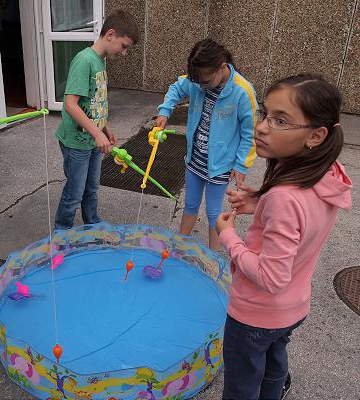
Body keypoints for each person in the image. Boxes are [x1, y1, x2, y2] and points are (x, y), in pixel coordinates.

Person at [216, 74, 352, 400]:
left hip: (256, 314)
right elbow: (304, 216)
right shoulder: (327, 173)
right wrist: (260, 202)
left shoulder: (284, 197)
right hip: (294, 308)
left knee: (242, 383)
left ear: (316, 135)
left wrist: (229, 237)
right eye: (265, 114)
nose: (262, 127)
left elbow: (271, 276)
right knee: (274, 360)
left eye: (280, 120)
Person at [156, 38, 257, 250]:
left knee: (214, 214)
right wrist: (165, 110)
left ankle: (213, 258)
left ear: (222, 67)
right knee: (190, 205)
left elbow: (250, 133)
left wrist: (241, 164)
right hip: (195, 159)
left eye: (205, 82)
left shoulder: (242, 91)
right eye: (197, 82)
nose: (200, 86)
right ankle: (178, 249)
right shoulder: (197, 80)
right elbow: (177, 88)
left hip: (220, 165)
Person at [54, 10, 139, 230]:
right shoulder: (84, 61)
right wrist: (96, 132)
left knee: (91, 187)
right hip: (76, 142)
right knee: (75, 192)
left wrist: (105, 127)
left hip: (92, 140)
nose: (124, 53)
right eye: (124, 46)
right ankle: (62, 232)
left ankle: (91, 223)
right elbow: (70, 104)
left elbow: (93, 103)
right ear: (110, 34)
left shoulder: (100, 61)